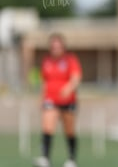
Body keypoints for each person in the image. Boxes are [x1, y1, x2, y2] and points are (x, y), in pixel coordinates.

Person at [33, 33, 82, 167]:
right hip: (51, 100)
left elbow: (76, 77)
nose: (55, 49)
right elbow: (44, 82)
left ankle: (72, 159)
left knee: (69, 130)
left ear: (63, 47)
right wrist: (41, 98)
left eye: (58, 46)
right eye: (53, 46)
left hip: (68, 101)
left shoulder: (70, 60)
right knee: (47, 127)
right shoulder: (46, 61)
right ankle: (45, 158)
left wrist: (68, 88)